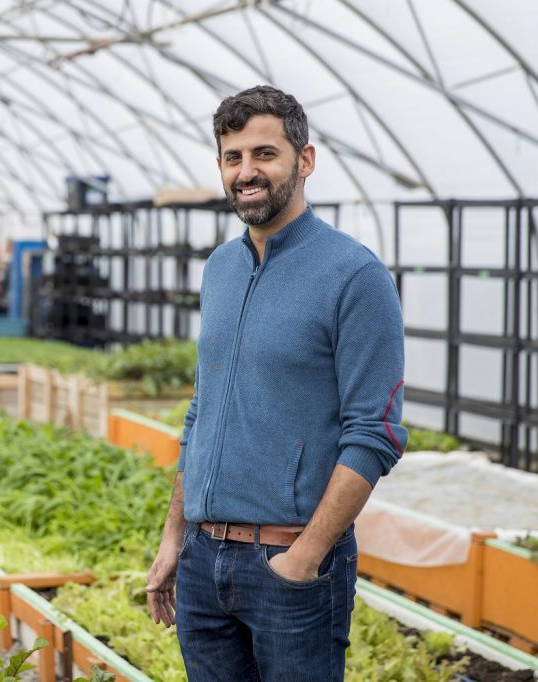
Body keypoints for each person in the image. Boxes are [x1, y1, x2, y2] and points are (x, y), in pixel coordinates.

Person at [145, 85, 407, 681]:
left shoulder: (355, 276)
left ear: (304, 161)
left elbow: (375, 434)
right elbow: (201, 412)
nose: (247, 172)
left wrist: (305, 556)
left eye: (264, 154)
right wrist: (173, 540)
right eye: (233, 158)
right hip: (203, 561)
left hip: (290, 566)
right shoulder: (221, 268)